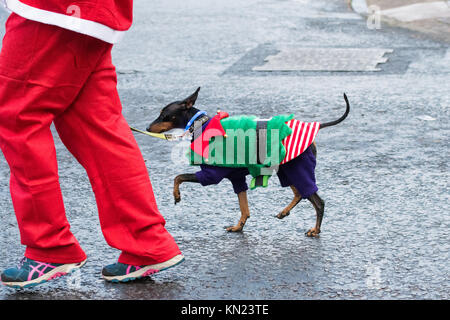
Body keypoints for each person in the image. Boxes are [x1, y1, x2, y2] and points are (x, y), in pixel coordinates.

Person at [0, 0, 184, 288]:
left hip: (54, 10)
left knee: (19, 118)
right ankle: (146, 241)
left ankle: (49, 247)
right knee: (97, 128)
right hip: (92, 12)